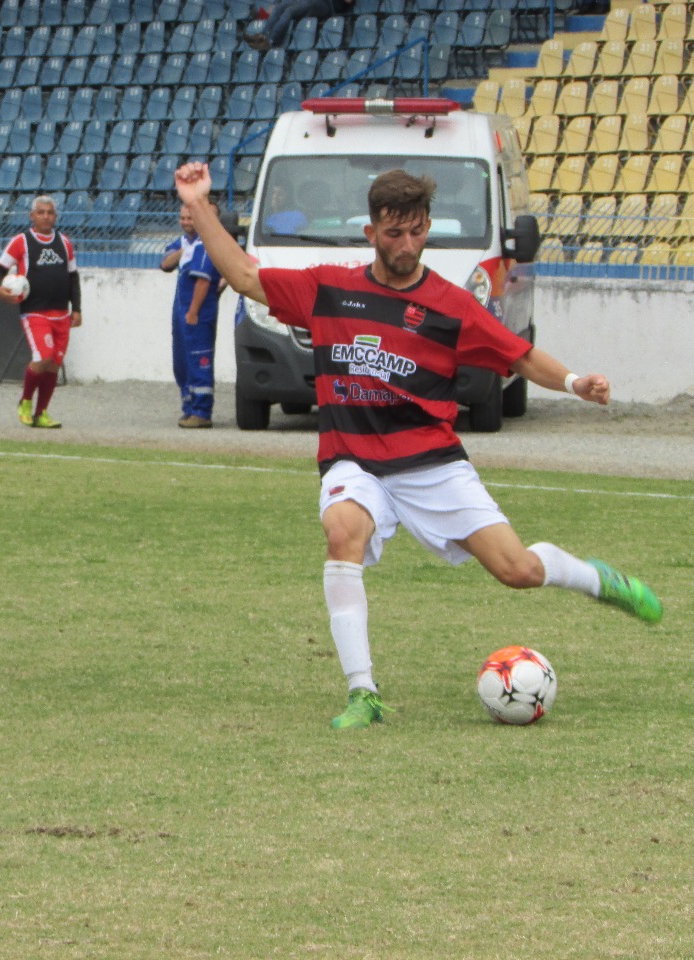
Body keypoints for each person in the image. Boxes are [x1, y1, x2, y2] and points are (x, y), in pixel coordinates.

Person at [175, 161, 664, 730]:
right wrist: (201, 203)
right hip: (353, 457)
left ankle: (597, 578)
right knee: (342, 532)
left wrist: (576, 381)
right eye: (393, 233)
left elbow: (519, 355)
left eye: (416, 231)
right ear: (371, 234)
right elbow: (245, 276)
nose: (406, 244)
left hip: (431, 462)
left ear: (427, 227)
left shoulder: (451, 306)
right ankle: (363, 693)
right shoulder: (330, 289)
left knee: (518, 570)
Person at [0, 195, 82, 429]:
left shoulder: (64, 242)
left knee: (54, 363)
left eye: (50, 212)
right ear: (32, 216)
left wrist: (77, 308)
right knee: (43, 356)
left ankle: (41, 412)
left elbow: (73, 277)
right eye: (40, 212)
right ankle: (25, 400)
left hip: (61, 312)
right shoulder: (21, 241)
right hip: (34, 311)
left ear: (55, 216)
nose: (45, 216)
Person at [160, 203, 223, 428]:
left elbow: (204, 280)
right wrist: (183, 251)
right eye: (183, 218)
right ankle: (188, 408)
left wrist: (194, 311)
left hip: (196, 312)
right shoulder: (186, 243)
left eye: (190, 218)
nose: (186, 222)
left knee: (199, 360)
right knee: (182, 362)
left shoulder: (206, 244)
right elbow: (165, 263)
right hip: (181, 311)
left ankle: (202, 411)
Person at [247, 0, 353, 50]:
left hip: (327, 5)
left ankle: (271, 41)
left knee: (289, 11)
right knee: (279, 7)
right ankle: (262, 37)